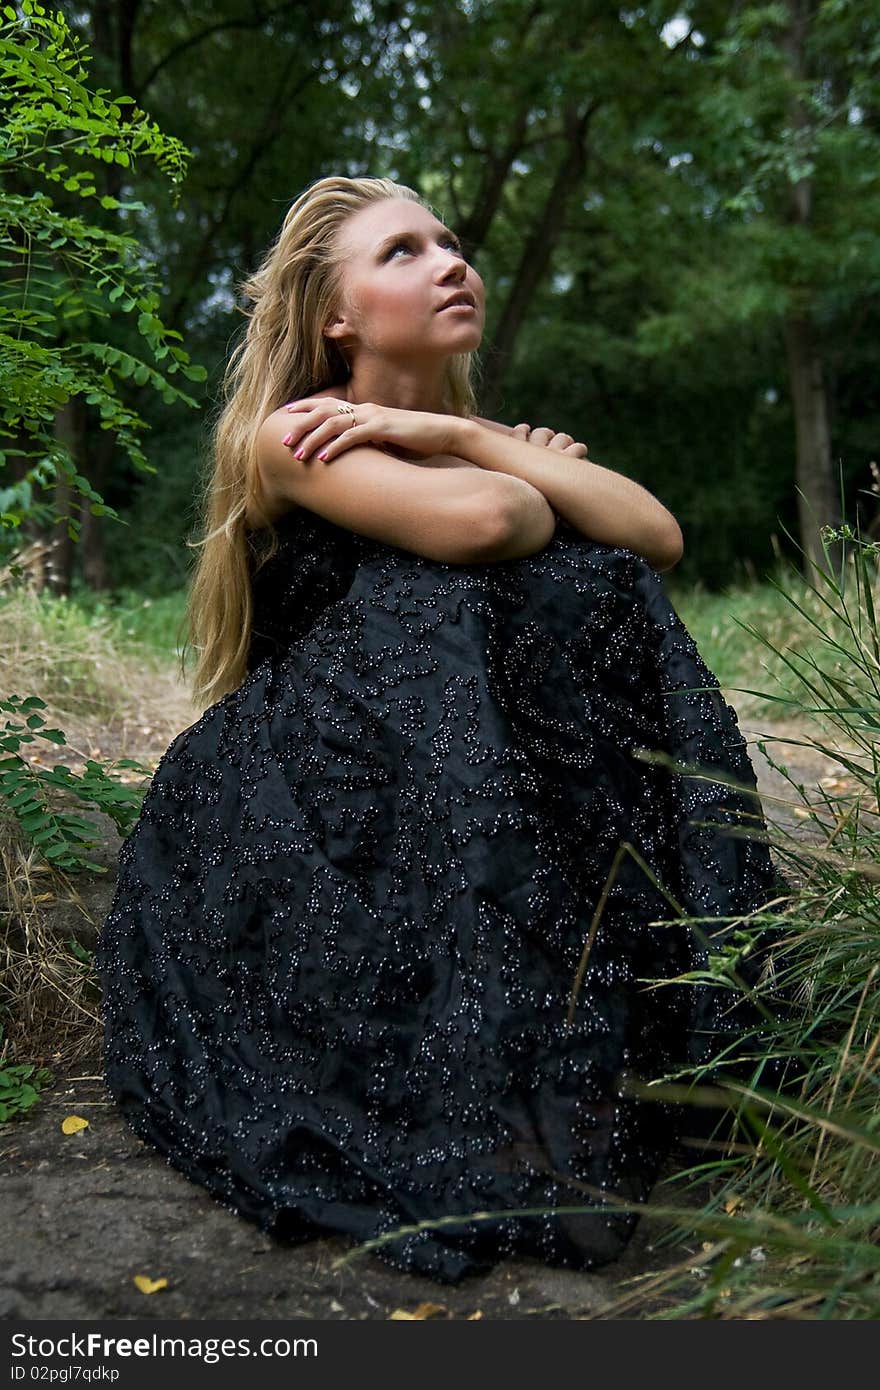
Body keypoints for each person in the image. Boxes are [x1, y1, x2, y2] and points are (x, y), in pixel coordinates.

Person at [95, 174, 783, 1285]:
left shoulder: (456, 432)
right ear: (336, 316)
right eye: (402, 252)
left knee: (601, 580)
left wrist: (459, 431)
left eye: (449, 242)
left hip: (456, 779)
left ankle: (662, 982)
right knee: (462, 593)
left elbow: (654, 535)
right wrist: (510, 460)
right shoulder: (297, 435)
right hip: (312, 807)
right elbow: (489, 520)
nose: (449, 261)